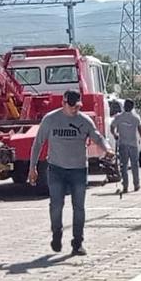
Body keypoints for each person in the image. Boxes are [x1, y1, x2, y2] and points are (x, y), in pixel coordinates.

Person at [29, 90, 114, 256]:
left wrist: (107, 148)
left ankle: (77, 242)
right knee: (56, 205)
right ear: (64, 103)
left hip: (79, 170)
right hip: (56, 169)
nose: (75, 109)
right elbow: (38, 144)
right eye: (72, 106)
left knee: (79, 207)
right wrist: (32, 168)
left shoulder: (84, 120)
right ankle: (56, 233)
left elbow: (97, 137)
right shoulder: (51, 120)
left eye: (78, 106)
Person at [110, 99, 141, 193]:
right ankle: (136, 185)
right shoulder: (135, 118)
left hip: (123, 144)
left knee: (124, 166)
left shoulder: (119, 117)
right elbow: (140, 131)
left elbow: (112, 127)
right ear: (132, 107)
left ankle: (125, 186)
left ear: (124, 106)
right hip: (133, 145)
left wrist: (115, 135)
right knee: (135, 165)